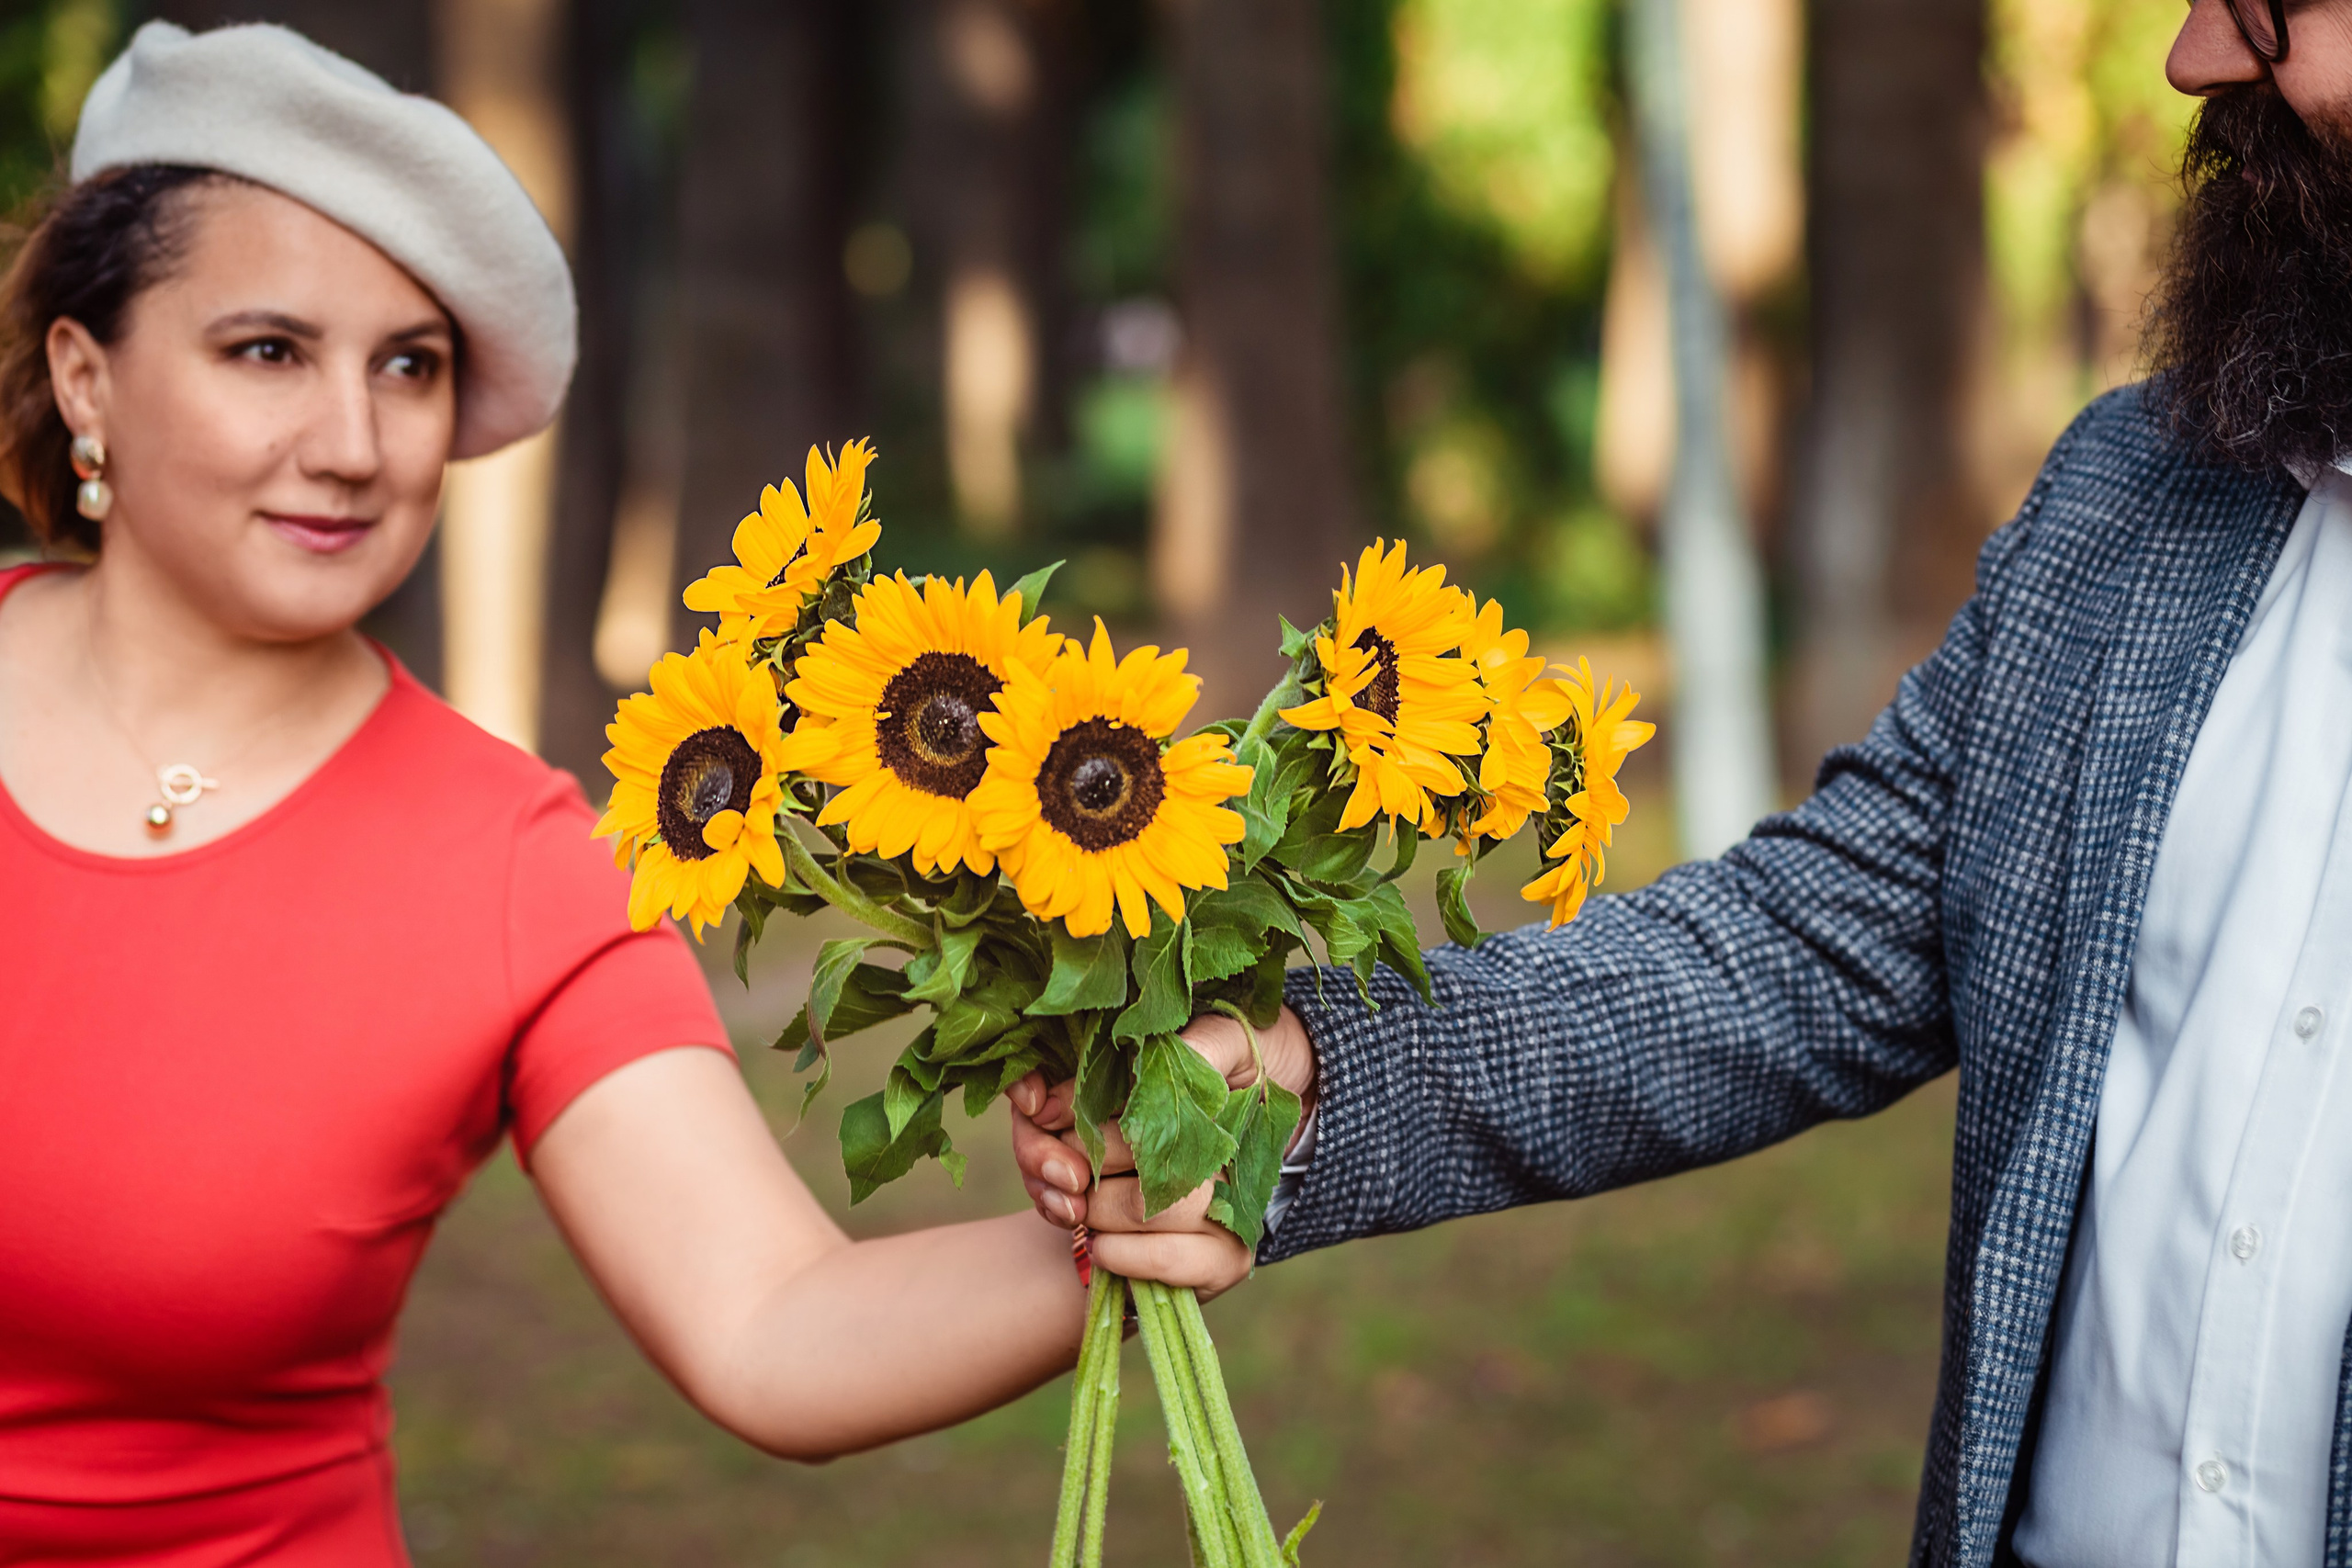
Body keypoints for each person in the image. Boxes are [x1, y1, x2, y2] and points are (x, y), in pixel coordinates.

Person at [1013, 2, 2352, 1564]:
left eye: (2274, 4)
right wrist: (1318, 1076)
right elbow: (1810, 940)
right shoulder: (2139, 495)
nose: (2196, 59)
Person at [0, 22, 1246, 1566]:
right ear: (85, 375)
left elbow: (775, 1322)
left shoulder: (510, 866)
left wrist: (1127, 1230)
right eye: (268, 350)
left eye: (410, 368)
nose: (351, 444)